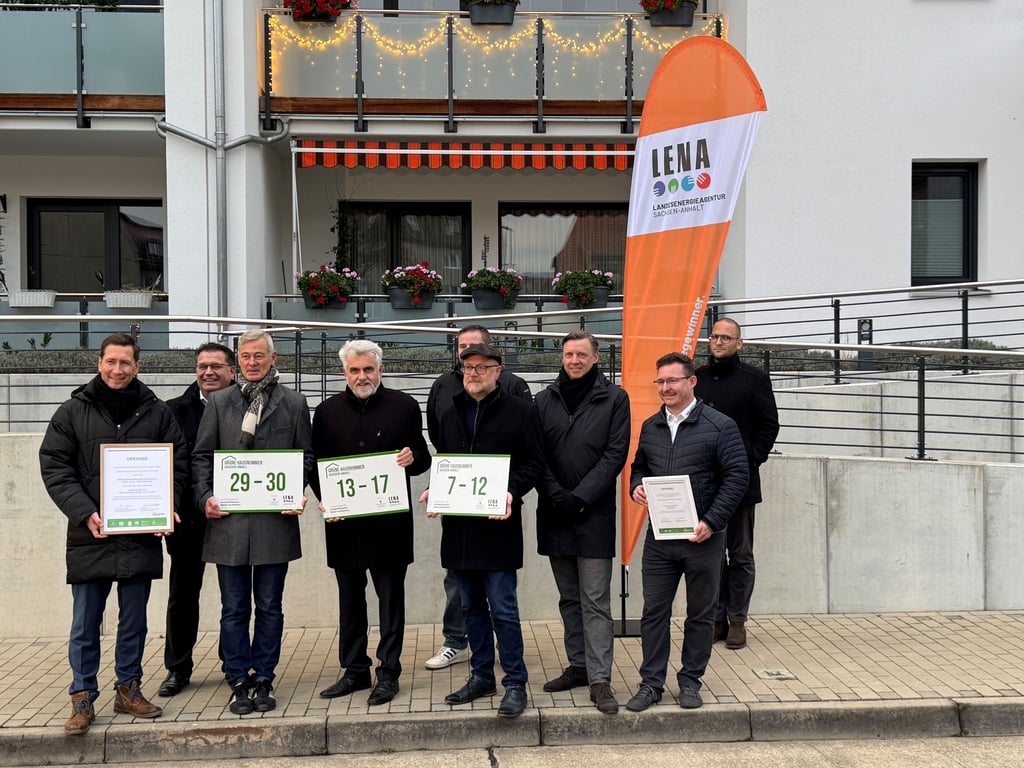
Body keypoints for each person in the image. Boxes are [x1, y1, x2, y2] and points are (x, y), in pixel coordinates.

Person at [39, 332, 188, 735]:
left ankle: (128, 690)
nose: (117, 369)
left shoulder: (157, 413)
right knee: (86, 623)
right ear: (99, 363)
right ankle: (82, 697)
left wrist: (166, 505)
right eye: (110, 361)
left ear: (137, 366)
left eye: (125, 363)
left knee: (134, 621)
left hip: (139, 534)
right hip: (91, 534)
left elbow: (178, 466)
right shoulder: (72, 411)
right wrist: (84, 511)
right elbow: (54, 464)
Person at [192, 329, 315, 716]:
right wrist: (204, 497)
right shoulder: (219, 402)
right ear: (238, 360)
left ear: (273, 358)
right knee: (233, 609)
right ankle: (237, 680)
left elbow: (306, 458)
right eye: (245, 356)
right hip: (228, 525)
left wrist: (295, 490)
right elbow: (201, 458)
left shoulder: (294, 403)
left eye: (259, 356)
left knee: (270, 607)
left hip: (273, 525)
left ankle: (264, 677)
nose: (252, 362)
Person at [424, 343, 543, 719]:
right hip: (458, 527)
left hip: (498, 526)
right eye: (468, 367)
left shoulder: (522, 411)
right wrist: (435, 488)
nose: (473, 372)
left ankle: (514, 683)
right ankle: (480, 675)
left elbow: (534, 464)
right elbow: (446, 461)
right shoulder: (448, 409)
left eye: (482, 366)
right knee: (471, 606)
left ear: (498, 370)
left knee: (503, 608)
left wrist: (511, 492)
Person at [310, 340, 431, 706]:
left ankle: (389, 673)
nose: (362, 376)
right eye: (354, 370)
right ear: (344, 373)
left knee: (390, 600)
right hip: (345, 523)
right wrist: (325, 499)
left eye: (368, 370)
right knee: (350, 599)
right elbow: (316, 463)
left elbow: (423, 459)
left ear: (381, 370)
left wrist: (413, 457)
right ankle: (354, 670)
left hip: (389, 524)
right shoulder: (327, 411)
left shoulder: (405, 406)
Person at [626, 352, 748, 712]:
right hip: (660, 538)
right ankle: (651, 684)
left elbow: (738, 477)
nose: (665, 387)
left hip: (704, 539)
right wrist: (636, 487)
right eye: (660, 381)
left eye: (672, 380)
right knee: (654, 614)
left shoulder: (721, 425)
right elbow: (639, 467)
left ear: (691, 381)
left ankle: (690, 682)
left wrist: (711, 521)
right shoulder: (651, 426)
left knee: (701, 614)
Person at [534, 331, 630, 715]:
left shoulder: (614, 399)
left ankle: (600, 680)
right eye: (569, 354)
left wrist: (580, 497)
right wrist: (557, 495)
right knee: (569, 597)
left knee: (595, 600)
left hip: (593, 516)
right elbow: (534, 453)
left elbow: (615, 454)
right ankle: (578, 665)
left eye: (581, 354)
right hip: (555, 513)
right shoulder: (543, 400)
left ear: (595, 358)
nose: (574, 360)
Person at [694, 318, 779, 651]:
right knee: (710, 555)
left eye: (726, 337)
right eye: (714, 336)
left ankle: (738, 620)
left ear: (738, 343)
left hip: (741, 482)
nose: (718, 341)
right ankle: (716, 619)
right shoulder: (695, 378)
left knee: (740, 553)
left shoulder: (754, 379)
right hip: (704, 483)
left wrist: (750, 460)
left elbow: (768, 426)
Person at [158, 342, 237, 697]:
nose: (209, 372)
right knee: (183, 596)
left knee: (233, 598)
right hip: (188, 522)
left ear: (231, 371)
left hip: (233, 519)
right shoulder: (171, 411)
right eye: (203, 366)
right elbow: (167, 468)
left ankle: (232, 662)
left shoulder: (247, 407)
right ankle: (178, 668)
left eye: (217, 366)